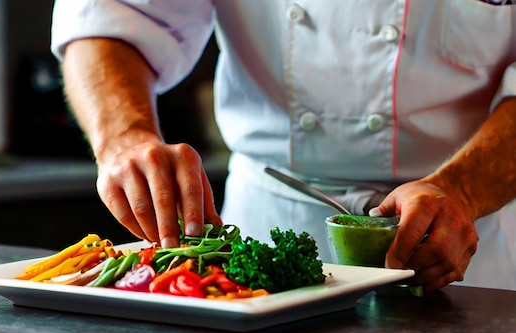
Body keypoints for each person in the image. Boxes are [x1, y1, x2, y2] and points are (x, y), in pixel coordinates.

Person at [50, 1, 516, 292]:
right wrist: (124, 134)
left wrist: (462, 191)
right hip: (268, 227)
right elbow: (115, 11)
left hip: (472, 246)